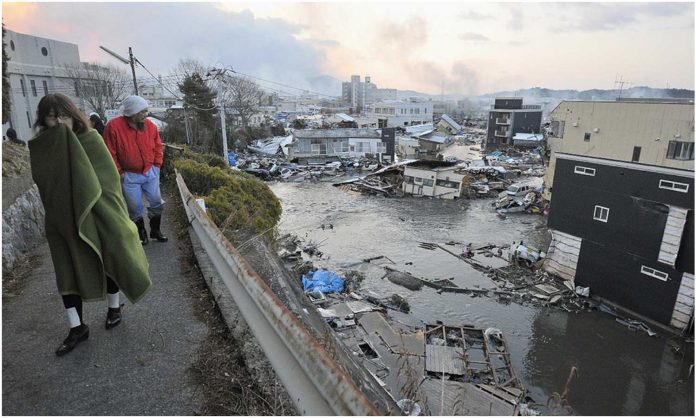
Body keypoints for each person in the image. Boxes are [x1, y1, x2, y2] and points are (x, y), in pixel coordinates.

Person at [28, 93, 152, 356]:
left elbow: (108, 184)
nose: (59, 123)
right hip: (61, 219)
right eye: (52, 117)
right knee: (67, 270)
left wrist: (108, 214)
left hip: (97, 213)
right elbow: (46, 183)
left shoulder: (91, 140)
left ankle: (114, 307)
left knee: (107, 257)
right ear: (43, 120)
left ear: (73, 116)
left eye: (63, 116)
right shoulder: (43, 148)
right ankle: (77, 328)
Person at [103, 95, 167, 245]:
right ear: (132, 112)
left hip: (150, 171)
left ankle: (155, 230)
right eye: (142, 112)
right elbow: (109, 152)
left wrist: (157, 165)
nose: (146, 114)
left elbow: (158, 145)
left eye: (146, 111)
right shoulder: (113, 126)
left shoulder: (150, 126)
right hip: (129, 175)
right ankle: (141, 233)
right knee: (134, 206)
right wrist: (119, 172)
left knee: (156, 201)